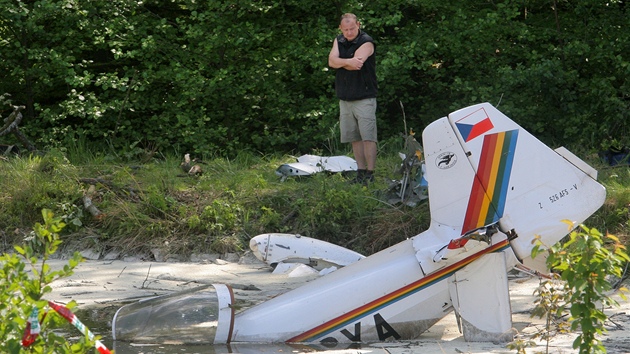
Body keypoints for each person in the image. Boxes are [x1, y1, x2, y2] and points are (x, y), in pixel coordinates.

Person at [328, 13, 378, 185]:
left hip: (364, 97)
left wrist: (339, 61)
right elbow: (330, 61)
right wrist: (345, 62)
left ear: (358, 24)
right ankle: (361, 172)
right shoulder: (339, 40)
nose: (349, 33)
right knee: (354, 138)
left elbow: (357, 64)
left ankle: (370, 174)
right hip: (345, 98)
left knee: (368, 137)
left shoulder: (367, 41)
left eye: (352, 28)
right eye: (346, 29)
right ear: (341, 28)